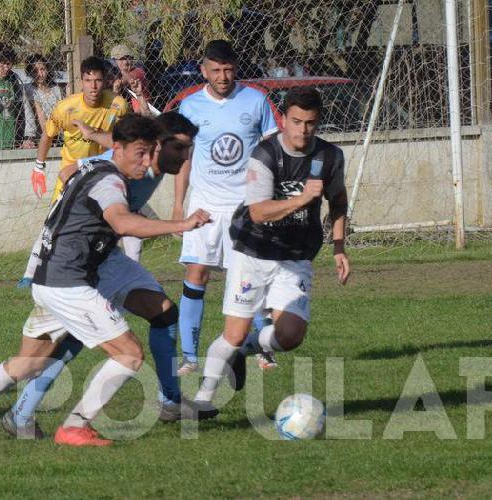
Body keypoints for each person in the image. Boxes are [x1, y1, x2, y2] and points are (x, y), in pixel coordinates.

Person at [0, 115, 213, 447]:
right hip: (70, 281)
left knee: (28, 363)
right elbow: (122, 222)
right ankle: (75, 427)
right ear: (119, 149)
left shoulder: (103, 170)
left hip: (60, 274)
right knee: (129, 354)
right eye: (141, 153)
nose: (147, 161)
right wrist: (179, 225)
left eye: (150, 152)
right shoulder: (110, 181)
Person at [192, 86, 351, 413]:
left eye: (310, 123)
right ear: (282, 120)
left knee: (291, 335)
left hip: (295, 257)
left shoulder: (330, 157)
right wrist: (303, 199)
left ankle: (243, 351)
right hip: (252, 253)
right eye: (296, 121)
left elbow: (338, 202)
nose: (303, 130)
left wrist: (339, 247)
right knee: (232, 334)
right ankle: (203, 399)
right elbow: (259, 212)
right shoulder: (264, 155)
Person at [171, 40, 280, 377]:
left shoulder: (256, 99)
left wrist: (268, 198)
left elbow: (272, 151)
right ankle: (190, 357)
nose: (222, 76)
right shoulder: (190, 107)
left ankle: (262, 347)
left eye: (228, 69)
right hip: (205, 204)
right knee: (196, 273)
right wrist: (178, 205)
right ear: (203, 70)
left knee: (252, 275)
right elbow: (183, 160)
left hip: (245, 205)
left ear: (236, 68)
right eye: (215, 70)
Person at [29, 56, 130, 200]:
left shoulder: (118, 105)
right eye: (88, 81)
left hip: (102, 172)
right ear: (81, 82)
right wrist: (39, 167)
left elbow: (130, 135)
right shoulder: (65, 108)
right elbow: (47, 134)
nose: (93, 87)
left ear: (105, 80)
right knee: (56, 219)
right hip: (70, 172)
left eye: (98, 80)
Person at [24, 54, 64, 139]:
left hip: (58, 131)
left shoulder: (56, 89)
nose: (39, 74)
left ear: (47, 70)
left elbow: (60, 112)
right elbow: (40, 115)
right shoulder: (29, 90)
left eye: (42, 69)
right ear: (30, 72)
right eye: (35, 71)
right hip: (41, 135)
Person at [109, 44, 152, 115]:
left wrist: (119, 80)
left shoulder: (138, 71)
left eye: (129, 58)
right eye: (121, 59)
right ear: (114, 61)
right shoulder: (114, 75)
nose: (126, 62)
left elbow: (127, 79)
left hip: (141, 114)